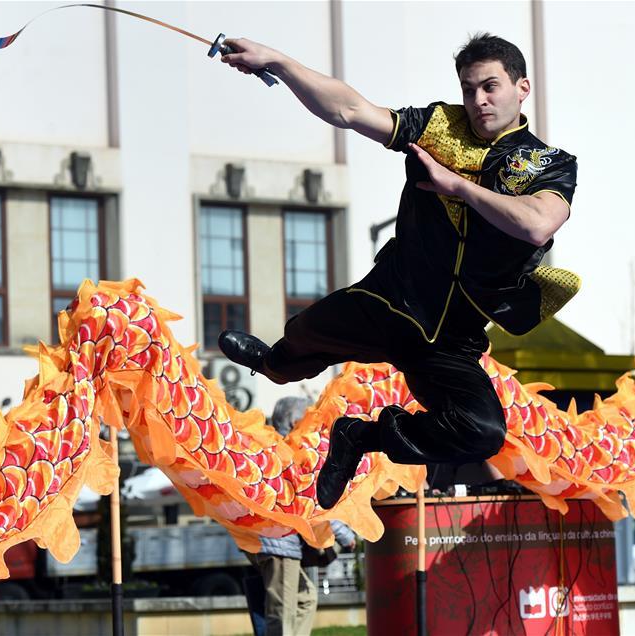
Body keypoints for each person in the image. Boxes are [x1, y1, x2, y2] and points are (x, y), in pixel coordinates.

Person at [218, 34, 578, 510]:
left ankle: (358, 437)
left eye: (490, 86)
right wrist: (279, 63)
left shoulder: (550, 164)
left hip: (451, 337)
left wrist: (458, 187)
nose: (478, 100)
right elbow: (349, 110)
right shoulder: (439, 125)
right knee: (302, 339)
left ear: (522, 87)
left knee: (483, 432)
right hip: (391, 302)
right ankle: (270, 364)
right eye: (469, 89)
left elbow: (537, 224)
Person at [242, 397, 357, 636]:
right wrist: (344, 534)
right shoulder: (291, 453)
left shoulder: (270, 447)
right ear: (295, 421)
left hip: (267, 540)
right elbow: (313, 501)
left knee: (305, 597)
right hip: (279, 543)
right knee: (282, 610)